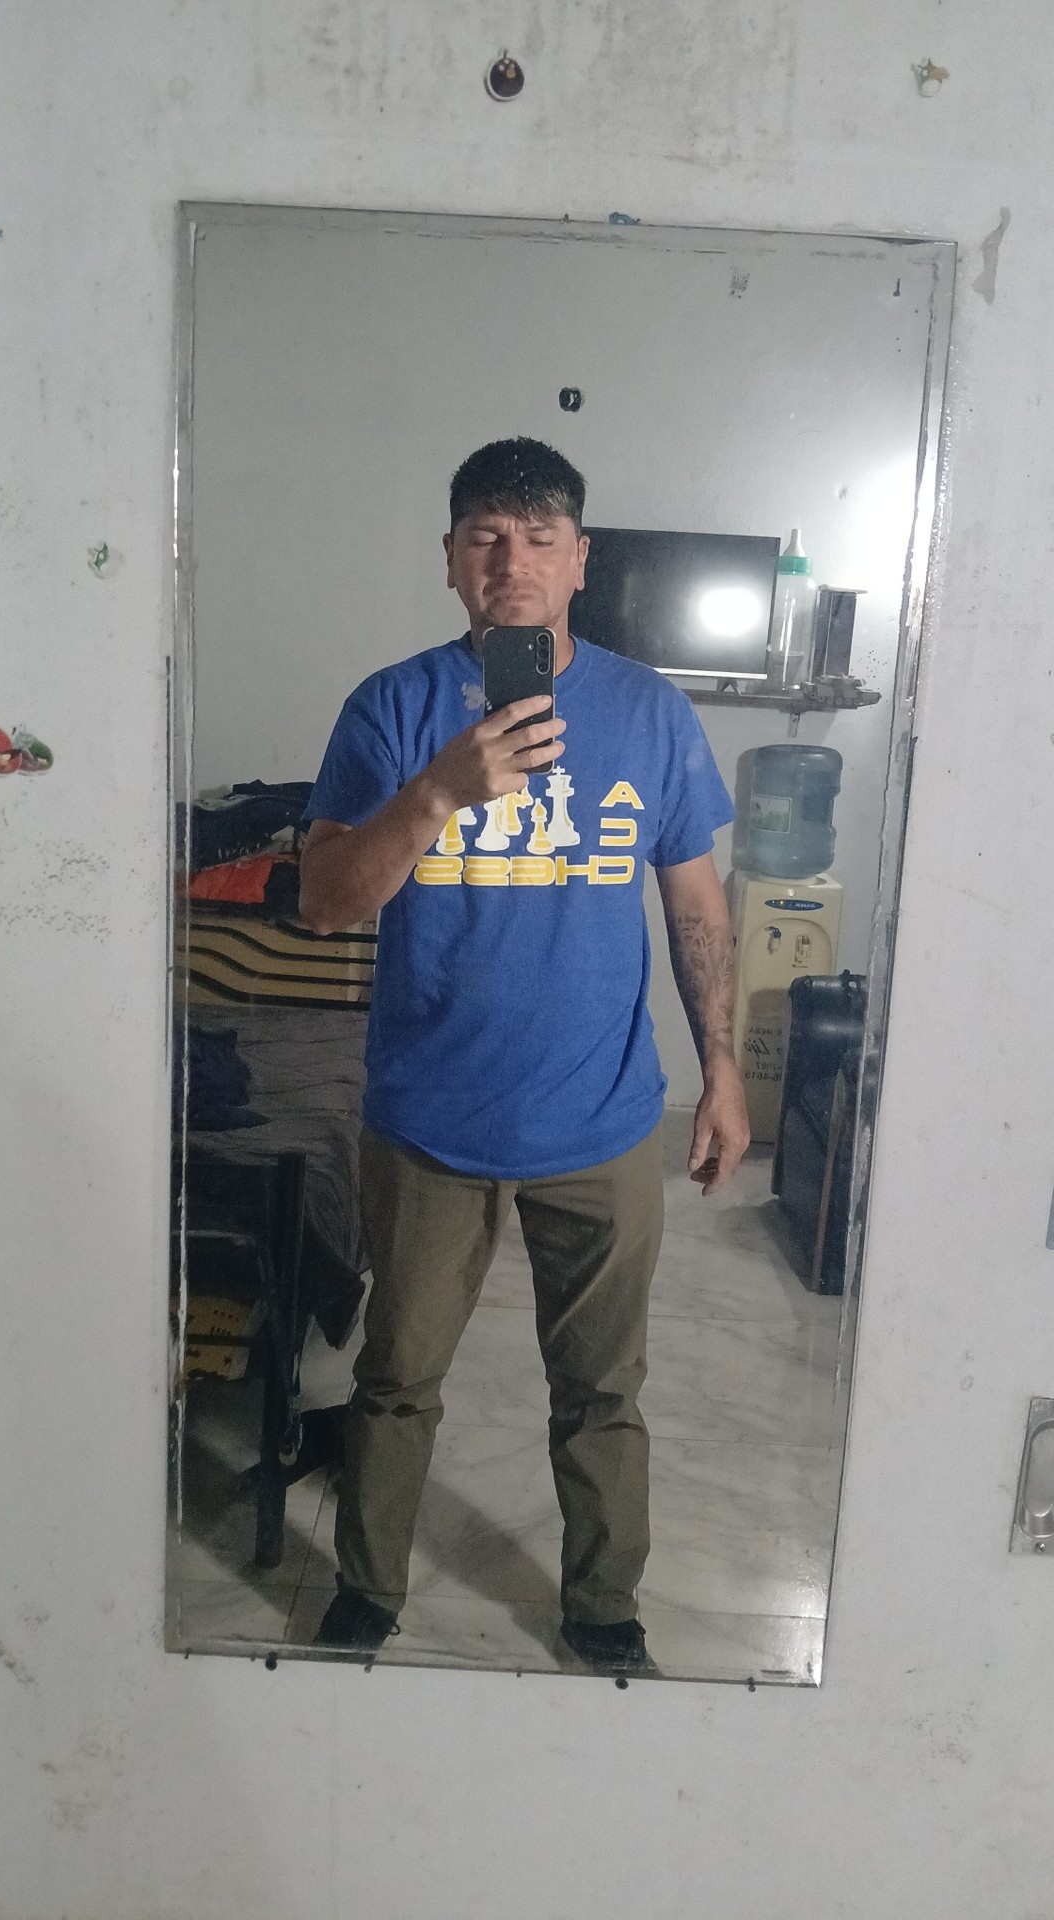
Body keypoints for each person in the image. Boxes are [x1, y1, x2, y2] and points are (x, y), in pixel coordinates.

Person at [298, 438, 750, 1674]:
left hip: (602, 1117)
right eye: (486, 539)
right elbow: (327, 903)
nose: (513, 563)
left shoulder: (650, 712)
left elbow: (696, 905)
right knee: (397, 1377)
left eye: (540, 540)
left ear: (580, 561)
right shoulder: (391, 708)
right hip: (426, 1119)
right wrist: (438, 791)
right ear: (450, 559)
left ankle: (603, 1609)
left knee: (603, 1389)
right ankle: (367, 1592)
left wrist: (722, 1067)